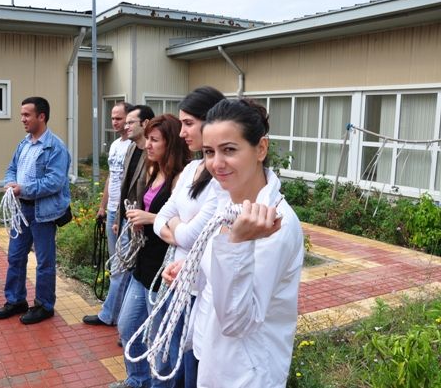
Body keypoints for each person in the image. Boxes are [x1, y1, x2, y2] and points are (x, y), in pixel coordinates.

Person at [163, 99, 304, 388]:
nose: (216, 163)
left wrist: (238, 242)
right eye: (209, 152)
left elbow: (237, 321)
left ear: (260, 149)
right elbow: (222, 278)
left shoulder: (275, 224)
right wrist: (191, 269)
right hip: (206, 349)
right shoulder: (226, 201)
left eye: (229, 150)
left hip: (245, 372)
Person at [150, 86, 225, 386]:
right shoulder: (192, 168)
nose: (182, 132)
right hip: (176, 282)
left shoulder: (220, 180)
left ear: (212, 121)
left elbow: (193, 236)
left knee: (189, 370)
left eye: (189, 123)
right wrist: (179, 227)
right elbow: (160, 219)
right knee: (170, 361)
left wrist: (175, 226)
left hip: (198, 289)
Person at [111, 114, 189, 388]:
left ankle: (157, 384)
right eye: (148, 139)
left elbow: (183, 227)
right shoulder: (153, 170)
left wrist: (149, 218)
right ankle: (137, 380)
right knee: (127, 326)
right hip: (143, 264)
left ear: (171, 144)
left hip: (163, 269)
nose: (148, 145)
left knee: (159, 342)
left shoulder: (181, 178)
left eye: (155, 140)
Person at [0, 96, 71, 325]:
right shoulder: (24, 144)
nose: (22, 119)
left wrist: (23, 189)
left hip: (43, 213)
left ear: (41, 116)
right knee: (15, 256)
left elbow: (54, 182)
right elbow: (11, 168)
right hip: (21, 211)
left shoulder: (55, 147)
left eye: (27, 115)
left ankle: (44, 305)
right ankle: (16, 300)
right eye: (22, 115)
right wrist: (10, 183)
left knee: (44, 262)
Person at [82, 101, 133, 326]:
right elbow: (111, 178)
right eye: (113, 118)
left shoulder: (135, 146)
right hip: (112, 211)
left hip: (126, 213)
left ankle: (110, 314)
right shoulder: (114, 145)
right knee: (115, 264)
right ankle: (118, 312)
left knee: (122, 265)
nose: (115, 122)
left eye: (119, 118)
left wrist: (122, 212)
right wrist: (103, 207)